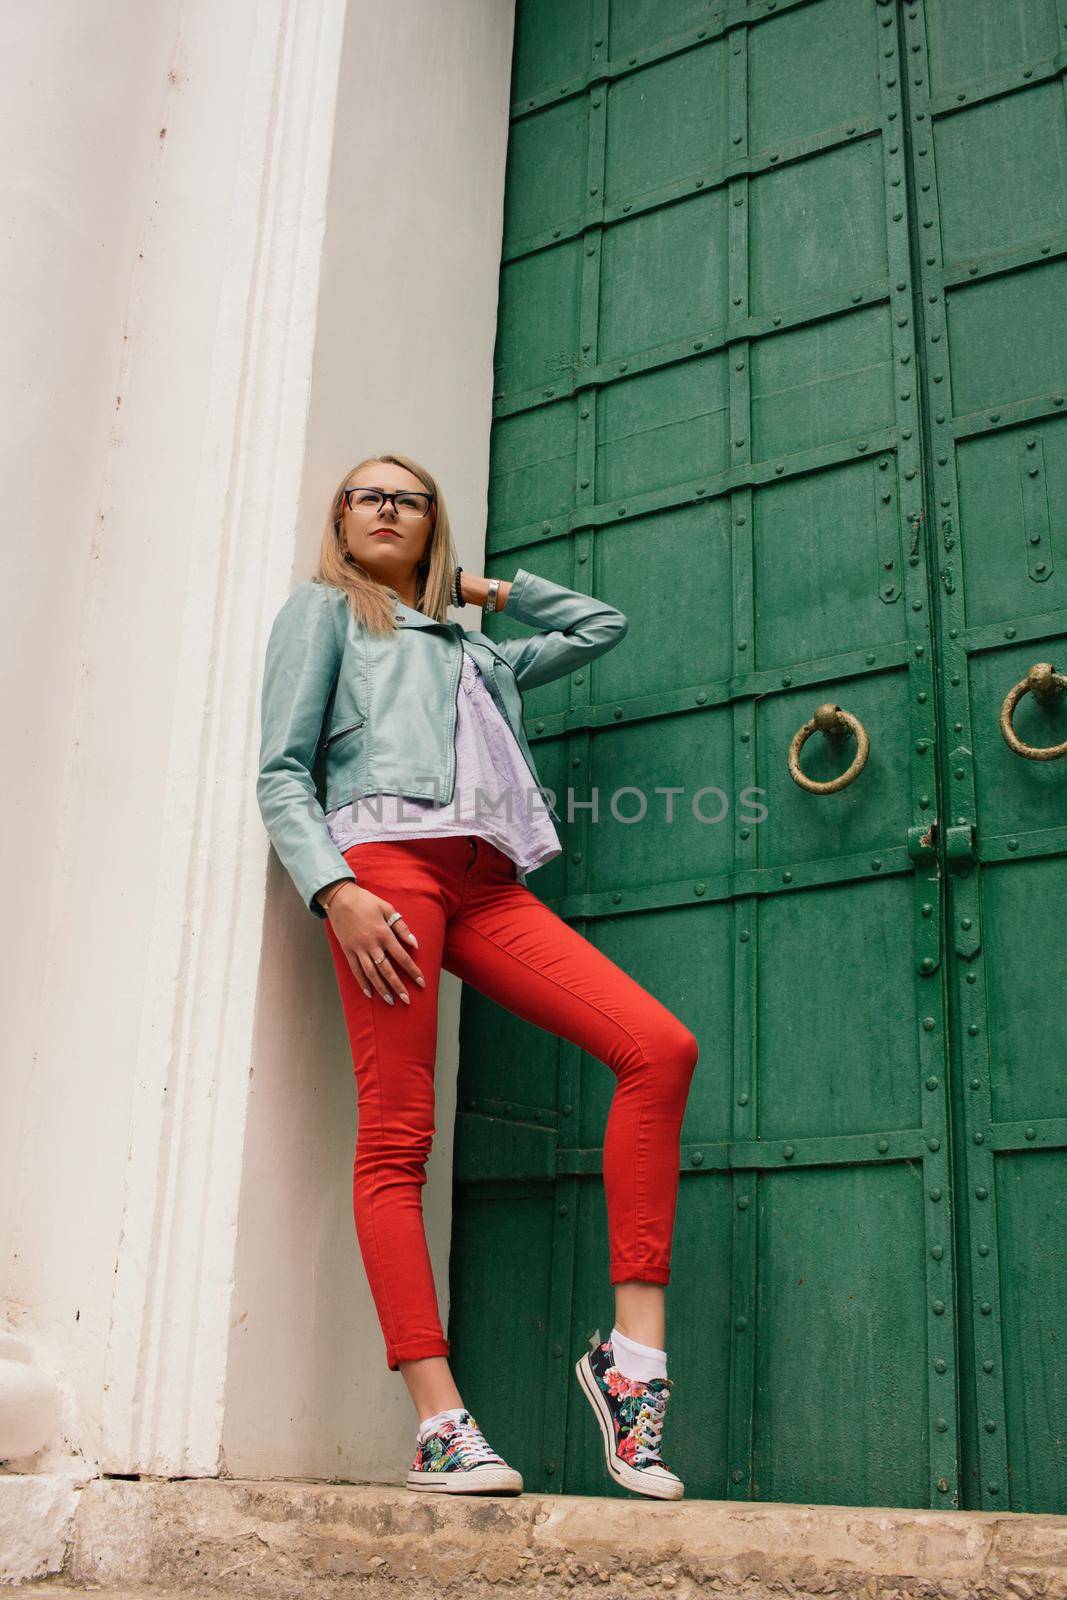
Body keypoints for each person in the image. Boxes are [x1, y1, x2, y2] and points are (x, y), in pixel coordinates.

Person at [257, 452, 700, 1499]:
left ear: (431, 526)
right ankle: (437, 1418)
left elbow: (601, 625)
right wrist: (333, 887)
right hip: (383, 870)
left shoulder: (474, 646)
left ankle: (629, 1362)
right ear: (340, 517)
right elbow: (281, 768)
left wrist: (484, 591)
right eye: (366, 494)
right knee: (396, 1138)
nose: (386, 508)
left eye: (409, 498)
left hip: (485, 882)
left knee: (657, 1047)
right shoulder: (324, 613)